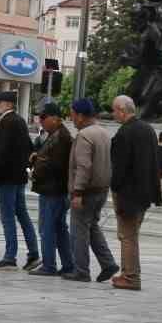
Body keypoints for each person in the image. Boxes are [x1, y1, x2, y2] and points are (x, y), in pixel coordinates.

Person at [109, 94, 162, 291]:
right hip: (145, 191)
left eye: (114, 110)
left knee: (127, 235)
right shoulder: (148, 129)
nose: (113, 114)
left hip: (128, 193)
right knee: (132, 233)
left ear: (123, 110)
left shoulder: (125, 132)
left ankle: (130, 277)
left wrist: (114, 187)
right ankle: (129, 273)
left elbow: (119, 167)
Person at [66, 98, 117, 283]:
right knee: (92, 226)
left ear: (80, 116)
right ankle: (108, 263)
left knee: (79, 230)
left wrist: (77, 192)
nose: (71, 119)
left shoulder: (85, 135)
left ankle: (81, 271)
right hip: (101, 190)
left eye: (72, 115)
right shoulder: (104, 132)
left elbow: (83, 165)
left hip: (86, 191)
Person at [0, 91, 39, 270]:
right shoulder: (20, 121)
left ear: (8, 104)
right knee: (22, 214)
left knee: (7, 216)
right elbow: (29, 147)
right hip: (19, 176)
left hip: (7, 178)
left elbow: (1, 153)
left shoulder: (6, 122)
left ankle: (10, 256)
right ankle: (34, 253)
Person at [27, 100, 73, 277]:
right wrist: (38, 157)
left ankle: (49, 265)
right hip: (51, 189)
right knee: (59, 228)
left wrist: (38, 163)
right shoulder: (54, 135)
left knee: (47, 228)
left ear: (55, 118)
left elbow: (56, 164)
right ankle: (68, 264)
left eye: (43, 117)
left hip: (54, 190)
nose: (40, 120)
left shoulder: (61, 137)